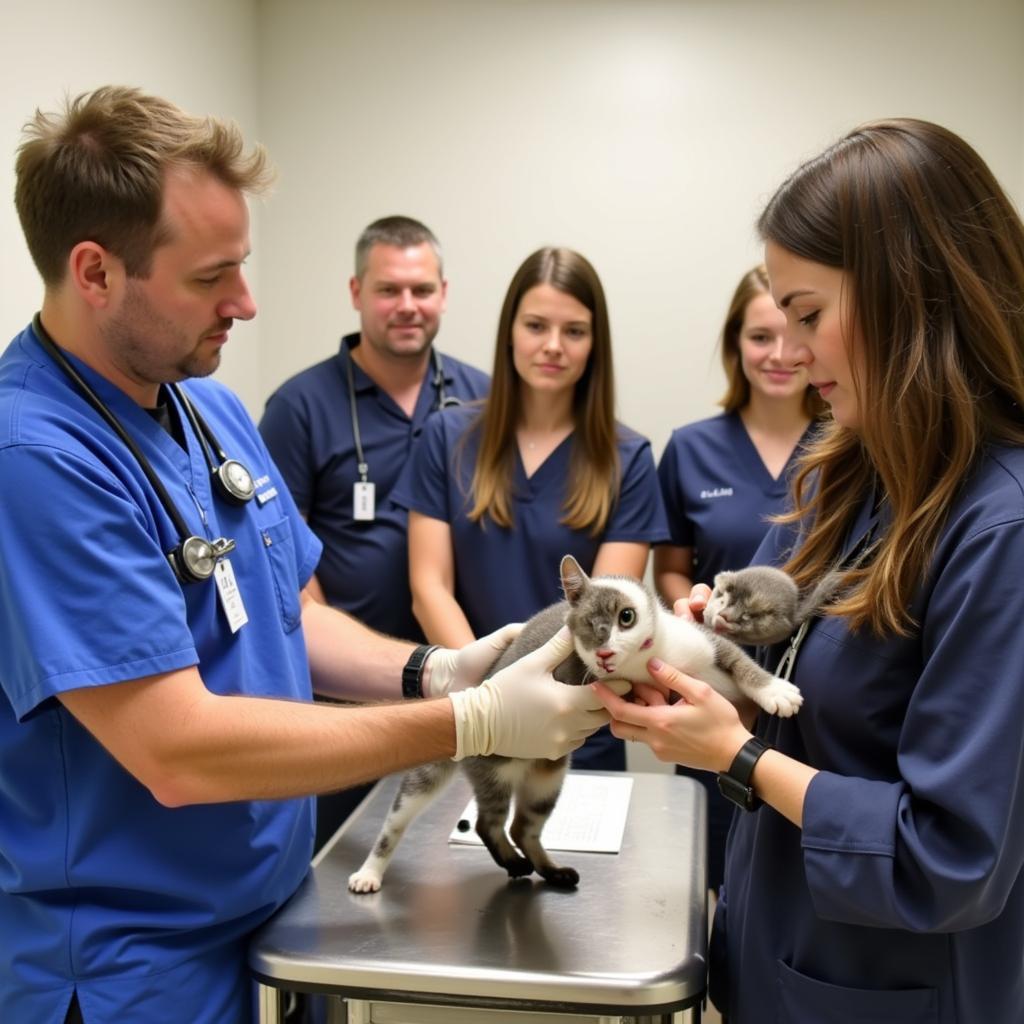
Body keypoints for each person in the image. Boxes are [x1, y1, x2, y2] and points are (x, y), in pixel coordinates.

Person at [0, 86, 626, 1024]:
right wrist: (472, 722)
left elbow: (296, 614)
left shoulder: (204, 406)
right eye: (213, 277)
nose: (246, 303)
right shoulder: (36, 461)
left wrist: (438, 668)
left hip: (279, 916)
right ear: (95, 272)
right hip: (135, 966)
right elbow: (176, 750)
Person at [597, 118, 1024, 1024]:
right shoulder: (849, 468)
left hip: (898, 987)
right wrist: (716, 675)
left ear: (914, 298)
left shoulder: (1001, 532)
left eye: (810, 317)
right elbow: (806, 695)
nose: (788, 356)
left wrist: (738, 757)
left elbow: (948, 856)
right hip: (779, 960)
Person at [258, 216, 489, 849]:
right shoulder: (299, 407)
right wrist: (356, 679)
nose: (407, 306)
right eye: (389, 290)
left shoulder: (484, 400)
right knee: (346, 870)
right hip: (346, 701)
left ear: (444, 291)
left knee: (457, 871)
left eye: (421, 289)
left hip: (464, 688)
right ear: (356, 292)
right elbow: (283, 563)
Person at [393, 247, 669, 771]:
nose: (552, 346)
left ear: (595, 343)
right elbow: (428, 587)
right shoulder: (445, 438)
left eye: (574, 331)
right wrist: (494, 695)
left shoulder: (627, 458)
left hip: (579, 716)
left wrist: (535, 694)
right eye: (536, 325)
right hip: (471, 714)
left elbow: (609, 616)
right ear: (510, 332)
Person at [654, 265, 824, 896]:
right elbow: (672, 565)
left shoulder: (849, 446)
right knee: (719, 878)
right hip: (715, 690)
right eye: (759, 337)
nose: (779, 355)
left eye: (793, 333)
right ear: (734, 343)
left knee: (802, 874)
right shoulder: (691, 448)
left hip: (815, 703)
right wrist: (686, 605)